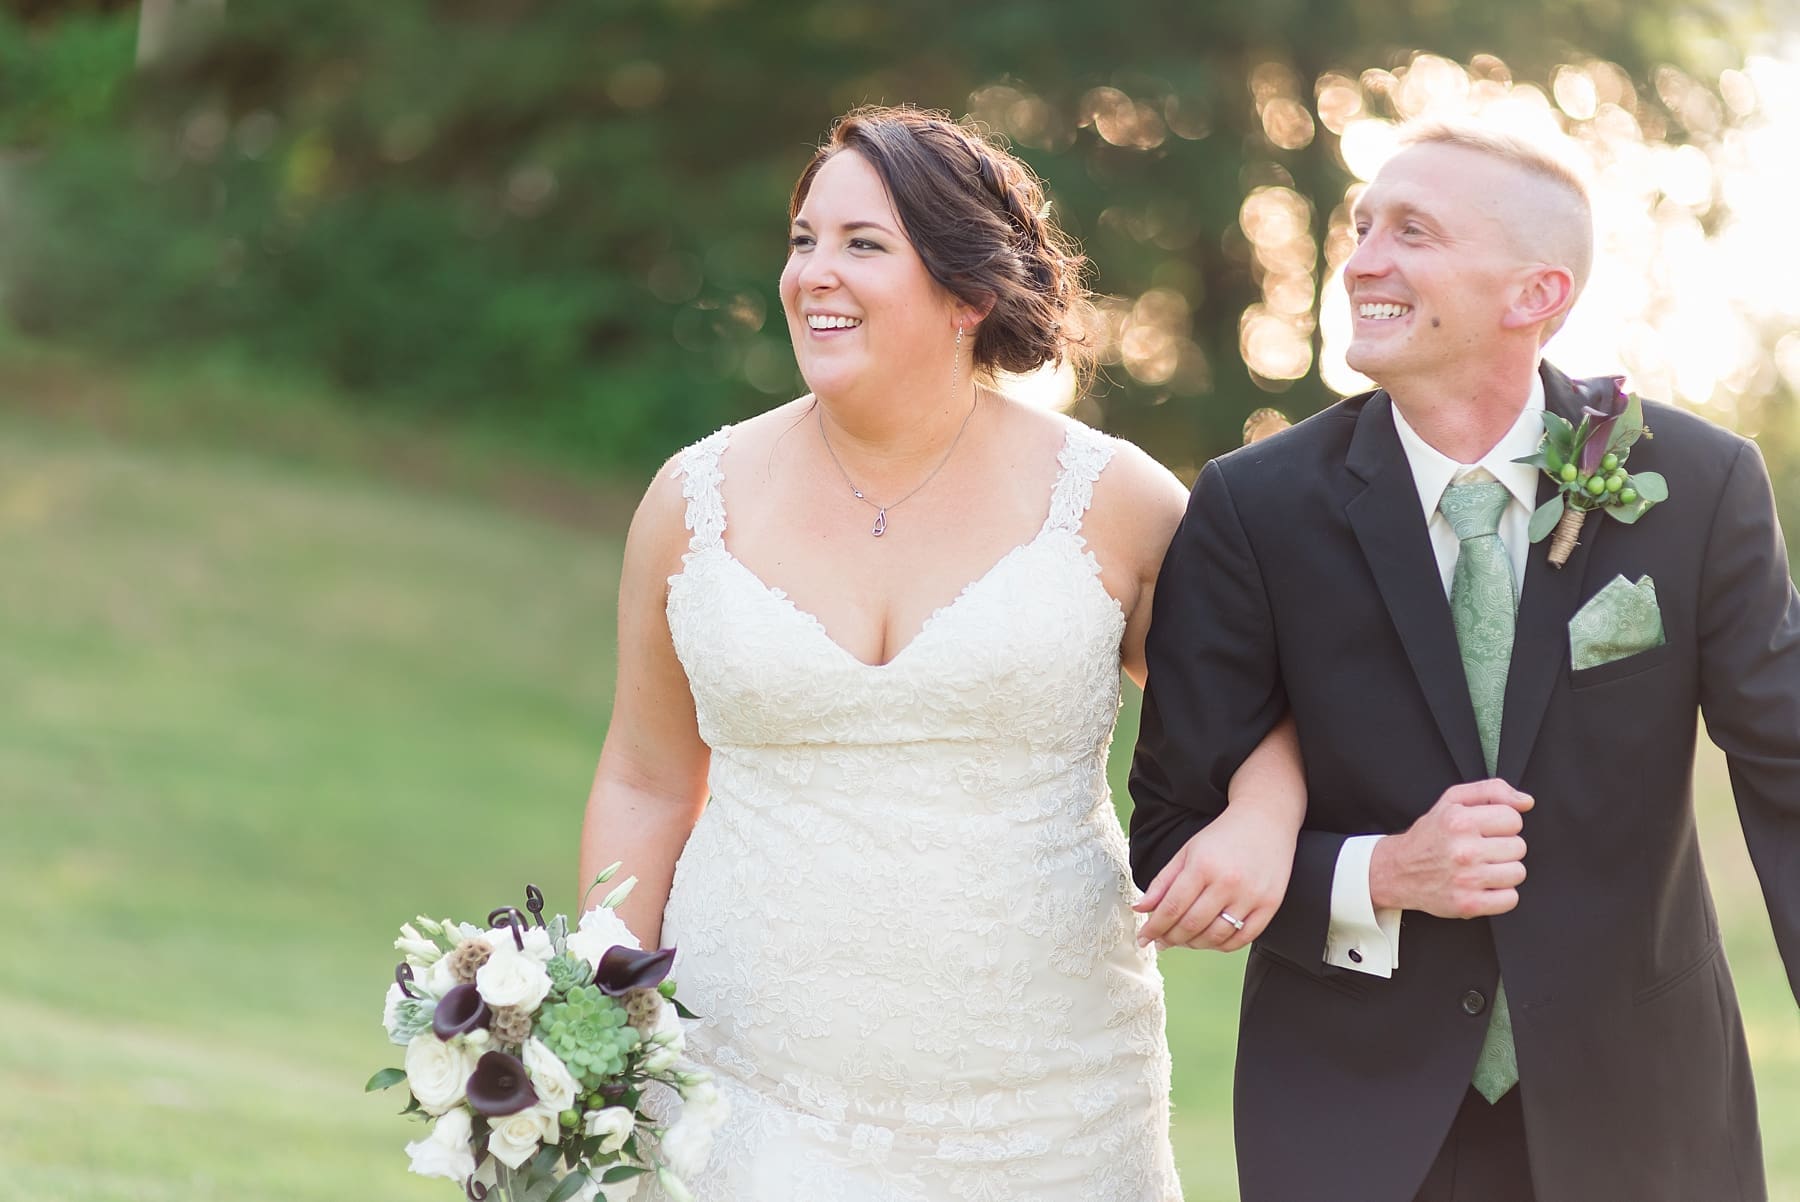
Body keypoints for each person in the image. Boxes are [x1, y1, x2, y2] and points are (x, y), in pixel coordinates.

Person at [578, 105, 1306, 1202]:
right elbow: (644, 776)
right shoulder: (691, 501)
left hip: (1048, 1103)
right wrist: (594, 1019)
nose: (815, 273)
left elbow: (1255, 712)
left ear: (970, 292)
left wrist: (1264, 816)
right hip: (744, 1076)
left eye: (863, 244)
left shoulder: (1113, 502)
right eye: (803, 239)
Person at [1129, 121, 1800, 1202]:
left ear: (1534, 294)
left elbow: (1790, 768)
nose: (1360, 259)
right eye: (1360, 227)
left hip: (1645, 1115)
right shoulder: (1254, 510)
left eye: (1412, 231)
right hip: (1352, 1119)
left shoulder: (1703, 483)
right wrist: (1383, 874)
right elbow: (1170, 834)